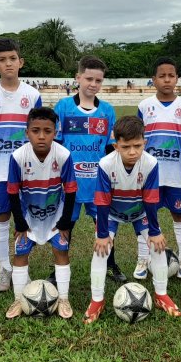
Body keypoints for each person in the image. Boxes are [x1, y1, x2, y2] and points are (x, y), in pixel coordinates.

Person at [83, 116, 181, 324]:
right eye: (126, 146)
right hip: (112, 213)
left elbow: (150, 198)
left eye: (137, 146)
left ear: (144, 143)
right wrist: (102, 234)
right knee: (100, 250)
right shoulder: (105, 164)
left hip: (140, 212)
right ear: (115, 145)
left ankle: (161, 295)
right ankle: (97, 300)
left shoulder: (151, 163)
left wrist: (154, 231)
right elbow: (102, 201)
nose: (132, 152)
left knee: (157, 247)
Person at [0, 38, 42, 293]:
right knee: (1, 216)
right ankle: (4, 268)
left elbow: (39, 132)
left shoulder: (32, 95)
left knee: (25, 218)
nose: (8, 64)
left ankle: (21, 268)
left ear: (21, 62)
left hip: (28, 170)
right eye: (2, 60)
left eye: (12, 59)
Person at [53, 56, 124, 283]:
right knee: (66, 224)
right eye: (89, 78)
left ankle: (110, 265)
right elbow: (57, 145)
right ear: (78, 78)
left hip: (97, 183)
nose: (93, 84)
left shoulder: (107, 111)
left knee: (105, 225)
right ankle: (59, 268)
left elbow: (109, 149)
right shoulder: (63, 107)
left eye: (98, 80)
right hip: (70, 182)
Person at [6, 107, 78, 319]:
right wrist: (19, 222)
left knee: (61, 252)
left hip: (56, 215)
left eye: (47, 131)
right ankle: (19, 299)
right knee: (20, 254)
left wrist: (65, 222)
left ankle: (63, 298)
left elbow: (71, 189)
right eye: (35, 130)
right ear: (27, 132)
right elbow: (12, 191)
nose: (41, 136)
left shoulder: (63, 155)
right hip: (28, 215)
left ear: (55, 132)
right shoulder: (18, 156)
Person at [137, 57, 181, 279]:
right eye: (162, 76)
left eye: (171, 75)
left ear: (177, 79)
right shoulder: (145, 106)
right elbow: (138, 138)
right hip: (149, 174)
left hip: (174, 174)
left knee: (178, 214)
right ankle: (143, 258)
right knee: (144, 214)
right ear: (153, 80)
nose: (167, 80)